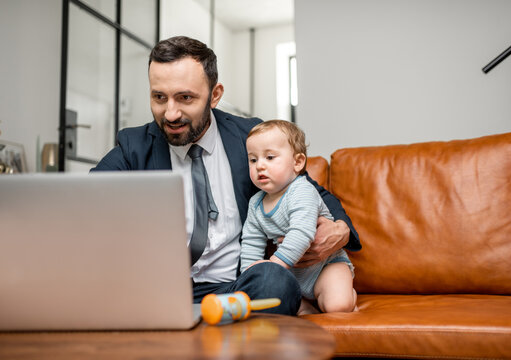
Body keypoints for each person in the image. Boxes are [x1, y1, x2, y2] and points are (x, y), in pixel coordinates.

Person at [91, 35, 361, 315]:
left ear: (215, 95)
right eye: (159, 97)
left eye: (185, 98)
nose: (170, 114)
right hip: (156, 289)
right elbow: (87, 200)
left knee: (274, 280)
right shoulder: (134, 146)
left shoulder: (252, 138)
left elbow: (310, 191)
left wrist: (340, 229)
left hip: (236, 287)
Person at [240, 120, 357, 314]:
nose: (260, 165)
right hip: (293, 274)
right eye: (253, 160)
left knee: (338, 306)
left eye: (269, 157)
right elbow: (251, 242)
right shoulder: (256, 203)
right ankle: (306, 305)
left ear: (298, 162)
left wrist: (274, 266)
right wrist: (249, 276)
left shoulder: (302, 190)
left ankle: (349, 296)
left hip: (325, 268)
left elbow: (301, 232)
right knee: (286, 308)